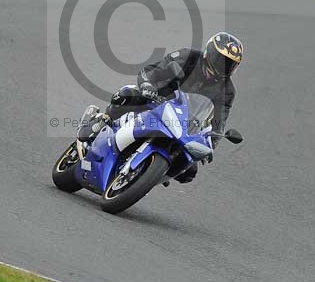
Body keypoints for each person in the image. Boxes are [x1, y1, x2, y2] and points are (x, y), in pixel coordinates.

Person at [76, 32, 244, 184]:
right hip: (158, 98)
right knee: (128, 94)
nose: (224, 66)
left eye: (230, 64)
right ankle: (102, 118)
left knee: (189, 171)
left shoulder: (227, 90)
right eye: (221, 60)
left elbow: (220, 118)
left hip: (185, 122)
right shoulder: (189, 56)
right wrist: (148, 85)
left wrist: (211, 143)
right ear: (210, 53)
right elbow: (153, 69)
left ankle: (151, 173)